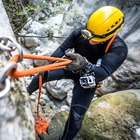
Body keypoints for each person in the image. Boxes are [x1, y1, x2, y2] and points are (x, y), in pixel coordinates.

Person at [27, 6, 128, 140]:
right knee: (41, 75)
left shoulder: (118, 48)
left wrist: (85, 64)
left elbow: (104, 72)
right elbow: (63, 48)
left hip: (88, 78)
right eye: (89, 33)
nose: (90, 39)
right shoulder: (81, 32)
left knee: (76, 117)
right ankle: (24, 93)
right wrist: (48, 64)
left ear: (108, 35)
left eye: (95, 37)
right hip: (69, 66)